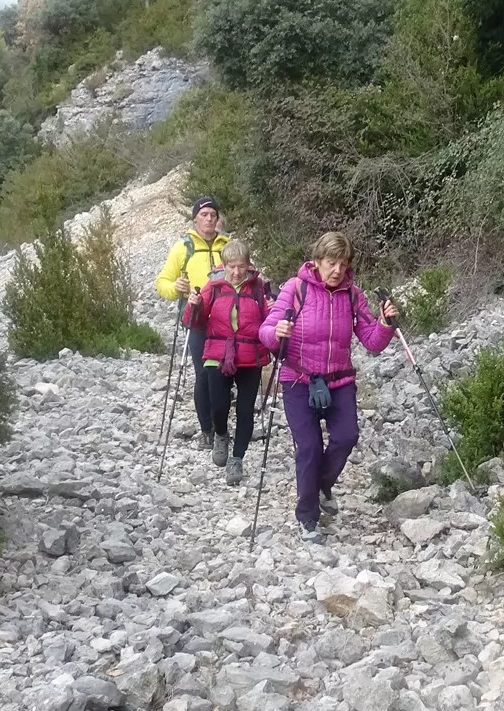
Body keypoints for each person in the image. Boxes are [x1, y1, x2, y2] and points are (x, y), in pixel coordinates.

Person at [257, 232, 398, 543]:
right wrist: (276, 332)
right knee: (308, 448)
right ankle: (307, 518)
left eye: (343, 264)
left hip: (339, 380)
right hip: (298, 380)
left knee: (347, 436)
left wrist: (386, 324)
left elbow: (371, 341)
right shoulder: (295, 289)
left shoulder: (352, 295)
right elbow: (265, 330)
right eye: (331, 263)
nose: (337, 270)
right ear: (317, 261)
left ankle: (321, 486)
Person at [188, 240, 274, 485]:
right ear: (223, 266)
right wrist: (194, 306)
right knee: (218, 406)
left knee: (246, 411)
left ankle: (237, 458)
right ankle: (221, 434)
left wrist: (275, 322)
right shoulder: (213, 287)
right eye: (231, 267)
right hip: (217, 354)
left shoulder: (259, 289)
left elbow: (270, 321)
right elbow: (195, 322)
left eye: (241, 267)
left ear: (249, 265)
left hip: (250, 357)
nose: (236, 272)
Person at [155, 195, 230, 450]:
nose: (209, 219)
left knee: (225, 374)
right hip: (197, 320)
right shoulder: (183, 248)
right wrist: (176, 288)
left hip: (226, 320)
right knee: (204, 375)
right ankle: (208, 429)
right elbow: (162, 283)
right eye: (204, 215)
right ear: (195, 218)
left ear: (218, 219)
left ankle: (220, 427)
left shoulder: (227, 246)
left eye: (213, 215)